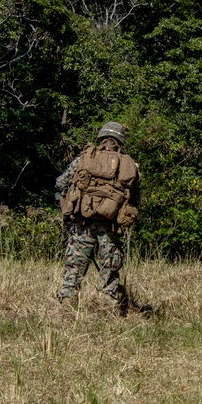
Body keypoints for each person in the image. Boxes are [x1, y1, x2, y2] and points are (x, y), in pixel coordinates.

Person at [55, 122, 140, 313]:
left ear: (101, 138)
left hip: (82, 224)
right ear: (120, 140)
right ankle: (108, 308)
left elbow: (61, 183)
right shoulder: (129, 164)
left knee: (74, 268)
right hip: (110, 227)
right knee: (109, 269)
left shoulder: (84, 158)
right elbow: (135, 199)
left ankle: (66, 308)